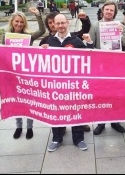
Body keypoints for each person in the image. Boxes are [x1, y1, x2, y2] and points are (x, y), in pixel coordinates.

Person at [42, 14, 94, 152]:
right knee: (56, 112)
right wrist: (41, 51)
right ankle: (56, 139)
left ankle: (79, 139)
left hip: (73, 86)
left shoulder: (76, 41)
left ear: (68, 23)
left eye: (62, 23)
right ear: (54, 25)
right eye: (57, 23)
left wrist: (89, 43)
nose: (60, 26)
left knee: (76, 112)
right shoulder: (49, 41)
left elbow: (91, 56)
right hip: (56, 86)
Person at [2, 7, 45, 139]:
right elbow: (2, 53)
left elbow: (42, 31)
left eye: (21, 22)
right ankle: (19, 126)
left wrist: (38, 15)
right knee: (17, 101)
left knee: (29, 101)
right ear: (12, 22)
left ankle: (30, 127)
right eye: (17, 21)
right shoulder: (6, 37)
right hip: (13, 74)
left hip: (26, 75)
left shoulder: (28, 37)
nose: (19, 24)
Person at [87, 0, 125, 135]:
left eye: (112, 10)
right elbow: (90, 45)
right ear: (103, 11)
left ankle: (115, 121)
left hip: (116, 66)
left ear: (115, 13)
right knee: (101, 95)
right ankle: (101, 122)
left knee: (116, 95)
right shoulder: (95, 26)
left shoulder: (120, 25)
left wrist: (121, 33)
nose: (109, 12)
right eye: (107, 10)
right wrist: (87, 40)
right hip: (101, 66)